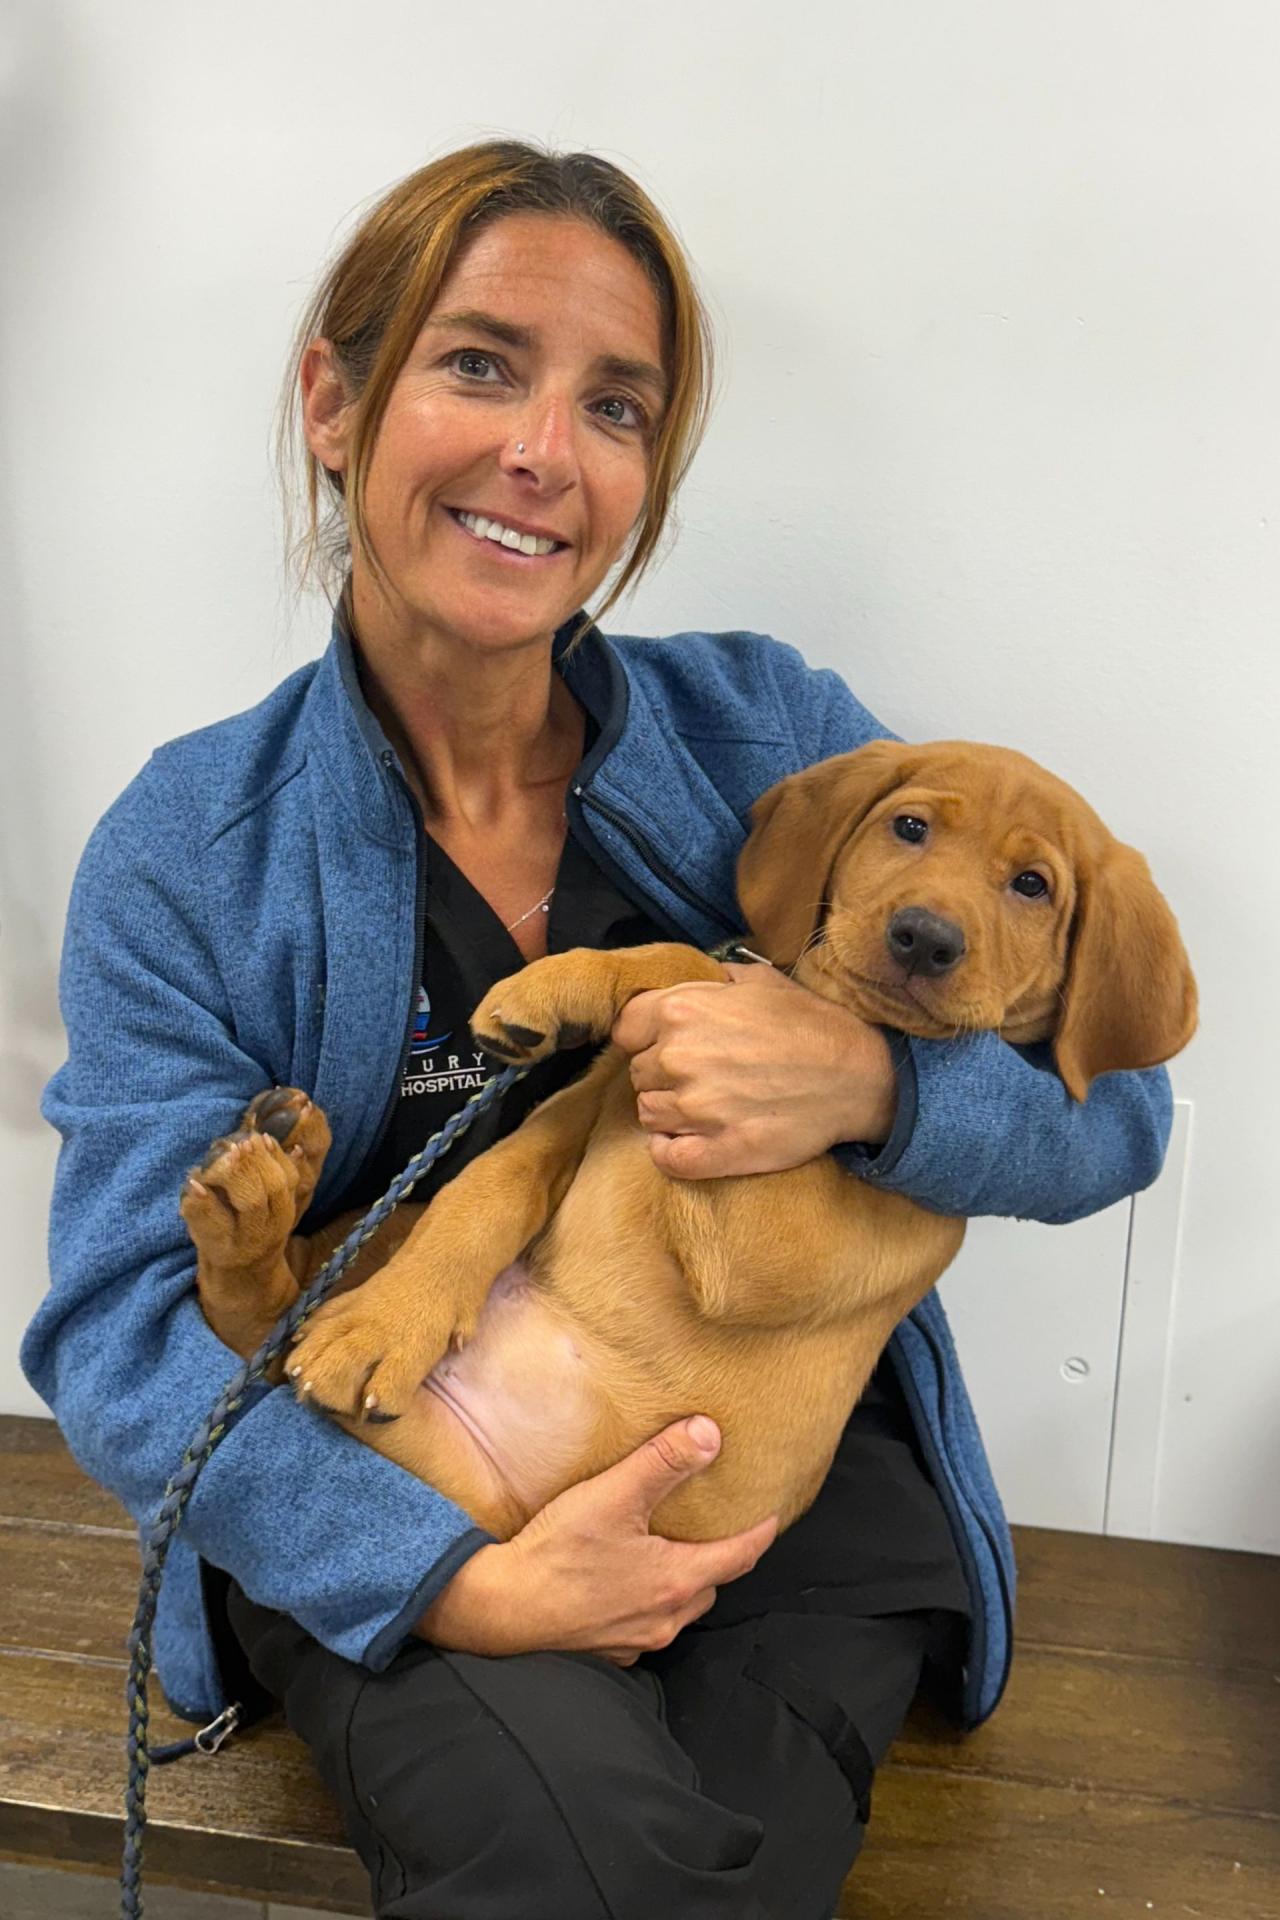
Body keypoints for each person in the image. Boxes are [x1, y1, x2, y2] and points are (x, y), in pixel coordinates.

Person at [21, 141, 1174, 1919]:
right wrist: (451, 1583)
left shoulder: (771, 733)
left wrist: (874, 1080)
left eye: (616, 405)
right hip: (383, 1473)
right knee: (572, 1859)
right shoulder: (194, 851)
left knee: (721, 1845)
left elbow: (1121, 1119)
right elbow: (116, 1331)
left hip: (782, 1484)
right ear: (334, 401)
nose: (544, 453)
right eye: (480, 364)